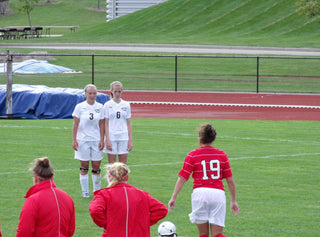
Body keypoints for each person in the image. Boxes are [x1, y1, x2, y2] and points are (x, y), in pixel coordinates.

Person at [168, 124, 239, 237]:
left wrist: (174, 197)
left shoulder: (192, 155)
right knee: (218, 234)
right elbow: (230, 181)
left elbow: (183, 178)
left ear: (200, 137)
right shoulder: (222, 155)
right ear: (213, 138)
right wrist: (233, 200)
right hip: (218, 194)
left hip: (200, 194)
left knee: (203, 234)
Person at [89, 162, 168, 237]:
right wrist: (143, 222)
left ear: (109, 177)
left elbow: (95, 210)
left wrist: (107, 224)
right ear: (127, 177)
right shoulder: (142, 194)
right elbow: (161, 210)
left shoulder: (104, 194)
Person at [16, 157, 75, 237]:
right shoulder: (67, 197)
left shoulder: (33, 200)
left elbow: (24, 232)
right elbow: (70, 230)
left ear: (36, 178)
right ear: (52, 177)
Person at [72, 84, 105, 198]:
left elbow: (102, 124)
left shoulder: (100, 107)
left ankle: (97, 192)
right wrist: (74, 140)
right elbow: (75, 124)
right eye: (90, 93)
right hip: (83, 140)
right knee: (84, 166)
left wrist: (102, 139)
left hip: (96, 140)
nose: (92, 95)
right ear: (85, 94)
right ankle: (85, 192)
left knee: (96, 166)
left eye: (94, 93)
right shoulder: (80, 107)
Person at [103, 81, 133, 165]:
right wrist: (107, 139)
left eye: (119, 91)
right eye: (115, 91)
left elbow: (128, 123)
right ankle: (111, 179)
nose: (117, 93)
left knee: (122, 165)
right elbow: (106, 123)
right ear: (111, 91)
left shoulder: (126, 105)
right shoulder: (107, 105)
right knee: (111, 165)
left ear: (122, 91)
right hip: (112, 136)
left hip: (123, 136)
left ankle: (121, 179)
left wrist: (130, 140)